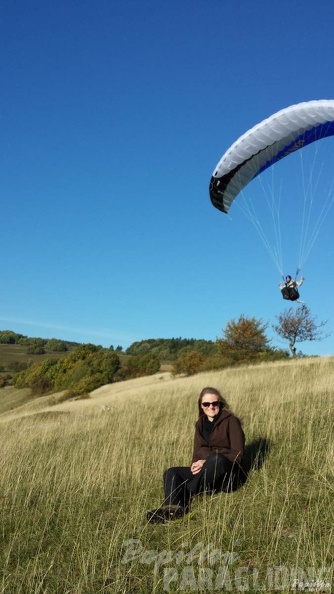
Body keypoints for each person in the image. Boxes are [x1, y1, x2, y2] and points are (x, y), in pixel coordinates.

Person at [146, 387, 245, 524]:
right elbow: (197, 451)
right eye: (206, 404)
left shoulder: (231, 421)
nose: (211, 407)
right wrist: (195, 465)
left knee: (216, 459)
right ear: (201, 406)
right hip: (207, 473)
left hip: (227, 476)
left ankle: (188, 489)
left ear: (220, 403)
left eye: (214, 403)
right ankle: (172, 509)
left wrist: (206, 460)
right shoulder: (200, 424)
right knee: (172, 472)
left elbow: (237, 454)